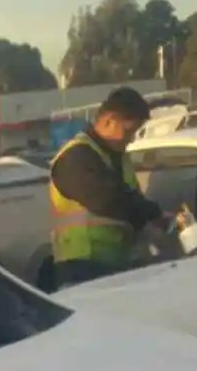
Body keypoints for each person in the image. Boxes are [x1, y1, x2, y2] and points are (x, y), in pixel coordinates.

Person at [48, 87, 177, 289]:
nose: (132, 139)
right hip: (81, 265)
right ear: (108, 121)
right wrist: (152, 214)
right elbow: (108, 199)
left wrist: (156, 221)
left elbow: (131, 200)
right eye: (129, 131)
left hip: (114, 265)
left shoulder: (116, 158)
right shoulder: (76, 157)